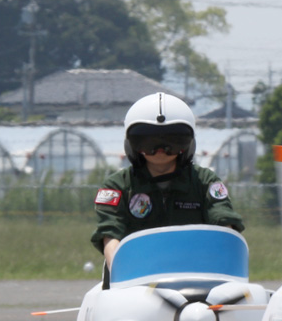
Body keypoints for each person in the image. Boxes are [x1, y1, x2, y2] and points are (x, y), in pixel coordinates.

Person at [92, 93, 244, 269]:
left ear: (188, 143)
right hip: (135, 276)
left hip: (196, 273)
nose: (160, 150)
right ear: (132, 143)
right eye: (148, 141)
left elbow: (224, 225)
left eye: (172, 140)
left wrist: (227, 261)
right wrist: (118, 270)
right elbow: (110, 234)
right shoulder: (117, 186)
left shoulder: (205, 182)